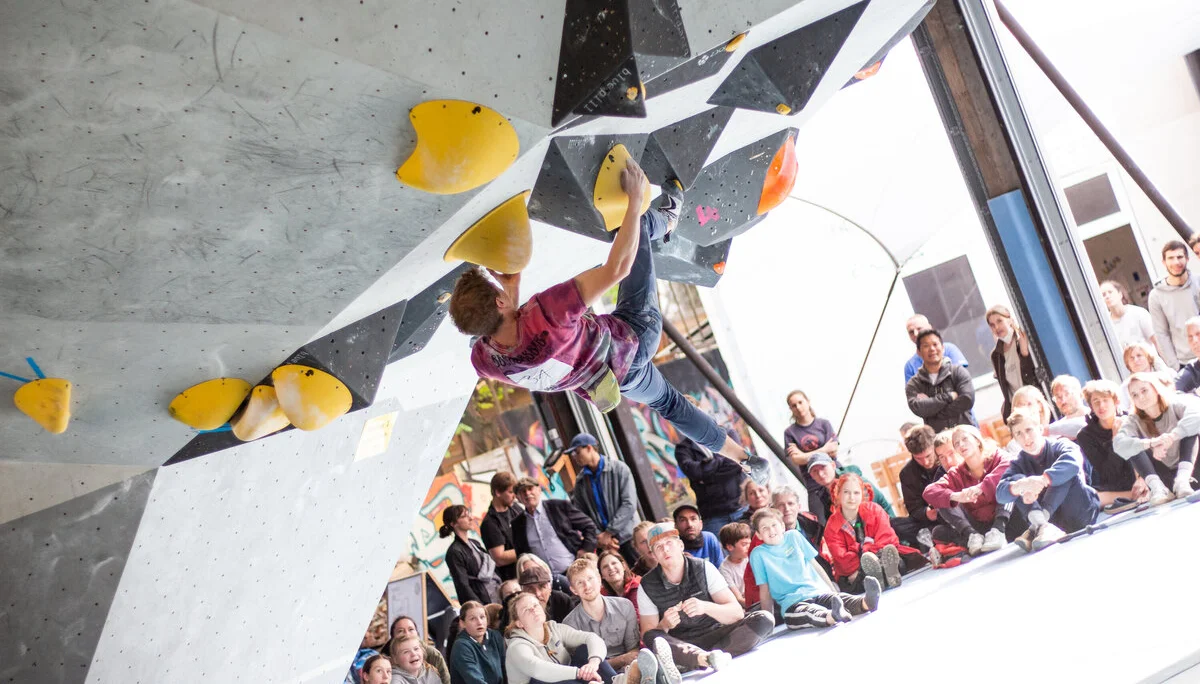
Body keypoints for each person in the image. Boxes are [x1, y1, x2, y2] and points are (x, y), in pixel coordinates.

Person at [451, 157, 768, 484]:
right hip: (635, 332)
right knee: (635, 227)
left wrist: (512, 292)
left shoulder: (486, 362)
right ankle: (666, 218)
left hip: (615, 380)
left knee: (671, 405)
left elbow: (517, 342)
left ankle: (744, 460)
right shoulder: (549, 312)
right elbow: (617, 269)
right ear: (500, 302)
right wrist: (633, 203)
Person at [636, 524, 773, 672]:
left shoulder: (703, 568)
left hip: (718, 633)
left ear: (680, 545)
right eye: (658, 547)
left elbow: (736, 613)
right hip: (682, 644)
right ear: (653, 555)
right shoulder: (646, 585)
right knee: (652, 636)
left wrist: (705, 607)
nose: (665, 550)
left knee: (764, 619)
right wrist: (664, 625)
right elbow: (648, 634)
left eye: (669, 543)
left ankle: (698, 660)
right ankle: (702, 658)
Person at [750, 508, 880, 629]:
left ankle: (866, 602)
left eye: (774, 525)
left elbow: (815, 565)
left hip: (816, 591)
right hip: (792, 604)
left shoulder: (794, 536)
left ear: (782, 526)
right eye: (765, 528)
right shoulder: (758, 554)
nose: (771, 530)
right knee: (808, 613)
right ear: (759, 535)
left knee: (839, 599)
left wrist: (832, 590)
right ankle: (832, 616)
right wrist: (768, 621)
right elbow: (764, 589)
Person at [997, 409, 1100, 552]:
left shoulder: (1061, 444)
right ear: (1014, 439)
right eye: (1019, 434)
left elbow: (1073, 463)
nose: (1026, 437)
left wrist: (1042, 480)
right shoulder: (1018, 462)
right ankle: (1043, 525)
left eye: (1029, 430)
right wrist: (1022, 485)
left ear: (1040, 429)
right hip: (1054, 522)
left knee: (1064, 472)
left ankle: (1039, 525)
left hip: (1080, 512)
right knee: (1017, 482)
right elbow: (1000, 494)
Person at [823, 472, 924, 592]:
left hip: (882, 556)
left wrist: (864, 550)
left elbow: (888, 539)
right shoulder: (831, 526)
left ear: (861, 494)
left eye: (856, 493)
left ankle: (885, 574)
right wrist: (867, 553)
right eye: (846, 492)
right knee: (855, 577)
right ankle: (878, 577)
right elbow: (843, 560)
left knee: (892, 557)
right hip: (856, 569)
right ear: (837, 494)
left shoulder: (874, 510)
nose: (851, 497)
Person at [923, 425, 1014, 555]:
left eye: (965, 439)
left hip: (1006, 518)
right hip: (978, 524)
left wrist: (981, 487)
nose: (961, 445)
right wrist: (956, 496)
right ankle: (972, 536)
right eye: (957, 443)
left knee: (1012, 480)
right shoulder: (956, 473)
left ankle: (998, 529)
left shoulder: (996, 456)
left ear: (977, 440)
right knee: (944, 500)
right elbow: (929, 492)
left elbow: (1012, 464)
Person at [1114, 373, 1200, 499]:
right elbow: (1118, 444)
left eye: (1144, 390)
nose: (1141, 397)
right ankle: (1158, 488)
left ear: (1156, 389)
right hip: (1168, 479)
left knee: (1191, 429)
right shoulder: (1133, 420)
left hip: (1193, 472)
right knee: (1132, 445)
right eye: (1135, 395)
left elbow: (1197, 414)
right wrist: (1152, 443)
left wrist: (1171, 438)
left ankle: (1183, 480)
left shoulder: (1175, 402)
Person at [504, 591, 617, 684]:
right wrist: (579, 673)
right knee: (540, 680)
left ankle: (617, 681)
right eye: (526, 610)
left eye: (535, 605)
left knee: (585, 649)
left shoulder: (555, 628)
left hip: (569, 680)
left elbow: (592, 638)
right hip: (547, 680)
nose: (533, 610)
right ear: (519, 623)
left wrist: (593, 664)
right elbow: (538, 669)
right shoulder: (516, 646)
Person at [1076, 380, 1155, 508]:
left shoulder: (1131, 418)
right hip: (1117, 484)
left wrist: (1142, 479)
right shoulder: (1085, 435)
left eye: (1105, 400)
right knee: (1090, 496)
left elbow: (1147, 453)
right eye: (1096, 402)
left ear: (1116, 401)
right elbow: (1108, 473)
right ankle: (1134, 495)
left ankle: (1146, 488)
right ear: (1091, 407)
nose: (1101, 406)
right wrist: (1115, 439)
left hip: (1144, 475)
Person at [566, 433, 639, 565]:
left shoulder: (619, 469)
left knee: (642, 575)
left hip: (629, 538)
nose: (574, 457)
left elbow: (629, 504)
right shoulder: (580, 481)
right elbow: (581, 514)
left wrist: (609, 532)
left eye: (577, 452)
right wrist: (601, 536)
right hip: (604, 545)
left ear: (589, 448)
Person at [563, 559, 641, 671]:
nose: (587, 586)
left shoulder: (624, 606)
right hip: (597, 675)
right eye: (580, 583)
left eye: (590, 579)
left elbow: (633, 650)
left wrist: (626, 663)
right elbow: (583, 666)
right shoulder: (569, 624)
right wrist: (621, 660)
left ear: (599, 579)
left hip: (629, 668)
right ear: (573, 590)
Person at [511, 478, 598, 576]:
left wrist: (585, 549)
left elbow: (589, 525)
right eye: (523, 492)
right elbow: (521, 554)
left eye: (530, 489)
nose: (527, 494)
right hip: (547, 579)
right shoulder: (517, 524)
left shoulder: (558, 507)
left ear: (539, 490)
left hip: (575, 569)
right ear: (518, 497)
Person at [674, 431, 747, 536]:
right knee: (721, 552)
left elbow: (737, 462)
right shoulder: (683, 448)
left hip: (741, 507)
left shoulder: (728, 435)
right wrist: (722, 464)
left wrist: (706, 473)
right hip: (713, 516)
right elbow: (694, 472)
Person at [906, 329, 976, 432]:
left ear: (943, 348)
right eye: (926, 346)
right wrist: (949, 397)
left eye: (935, 344)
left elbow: (967, 399)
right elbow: (918, 408)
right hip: (939, 440)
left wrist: (934, 413)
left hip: (966, 433)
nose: (932, 349)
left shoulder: (957, 372)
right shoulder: (915, 383)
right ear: (919, 352)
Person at [782, 390, 840, 514]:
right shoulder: (790, 433)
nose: (798, 407)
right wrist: (824, 449)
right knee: (821, 524)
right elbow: (796, 460)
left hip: (836, 477)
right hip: (813, 484)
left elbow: (833, 451)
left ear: (808, 402)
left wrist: (804, 455)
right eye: (794, 405)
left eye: (800, 402)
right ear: (790, 409)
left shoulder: (824, 424)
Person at [1148, 240, 1200, 369]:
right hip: (1186, 363)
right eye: (1171, 258)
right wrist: (1175, 367)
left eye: (1180, 257)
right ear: (1164, 262)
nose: (1176, 262)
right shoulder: (1156, 296)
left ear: (1187, 259)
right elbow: (1161, 334)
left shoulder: (1198, 282)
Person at [441, 504, 502, 605]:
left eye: (469, 514)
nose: (471, 518)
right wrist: (479, 607)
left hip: (496, 593)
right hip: (484, 601)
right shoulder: (454, 552)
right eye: (464, 516)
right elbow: (462, 585)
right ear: (453, 523)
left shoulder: (475, 543)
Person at [807, 453, 895, 523]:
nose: (821, 474)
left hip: (887, 530)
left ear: (833, 465)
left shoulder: (856, 481)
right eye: (815, 471)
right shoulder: (824, 495)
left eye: (823, 467)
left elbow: (869, 515)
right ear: (811, 476)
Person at [894, 426, 944, 548]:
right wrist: (925, 513)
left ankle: (935, 537)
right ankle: (936, 536)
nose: (925, 462)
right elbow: (913, 508)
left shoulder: (946, 459)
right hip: (929, 520)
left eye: (928, 456)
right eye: (919, 459)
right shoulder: (907, 474)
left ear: (934, 446)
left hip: (954, 511)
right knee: (894, 525)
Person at [986, 304, 1038, 420]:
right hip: (1019, 411)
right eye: (992, 325)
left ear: (1010, 320)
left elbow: (1034, 373)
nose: (997, 327)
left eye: (1000, 321)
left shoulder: (1022, 339)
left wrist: (1024, 353)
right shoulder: (996, 355)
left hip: (1034, 403)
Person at [450, 601, 506, 684]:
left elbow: (505, 669)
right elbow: (475, 681)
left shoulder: (495, 636)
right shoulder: (461, 646)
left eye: (482, 617)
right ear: (462, 623)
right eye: (472, 619)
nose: (479, 622)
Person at [904, 314, 969, 383]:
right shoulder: (910, 366)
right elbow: (913, 392)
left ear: (930, 328)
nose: (916, 334)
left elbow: (962, 378)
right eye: (911, 332)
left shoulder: (949, 349)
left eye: (919, 328)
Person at [482, 472, 523, 582]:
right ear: (498, 492)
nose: (514, 496)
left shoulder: (516, 509)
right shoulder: (489, 523)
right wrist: (528, 548)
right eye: (510, 492)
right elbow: (499, 558)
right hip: (514, 579)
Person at [390, 616, 451, 684]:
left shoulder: (432, 671)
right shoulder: (393, 677)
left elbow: (445, 680)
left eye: (411, 629)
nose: (407, 634)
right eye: (400, 631)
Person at [1099, 280, 1157, 351]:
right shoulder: (1105, 324)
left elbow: (1157, 341)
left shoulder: (1139, 313)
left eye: (1110, 292)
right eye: (1103, 295)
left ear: (1120, 294)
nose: (1107, 296)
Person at [716, 522, 752, 607]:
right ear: (730, 547)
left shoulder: (751, 558)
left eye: (749, 543)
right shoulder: (724, 569)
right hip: (744, 605)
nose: (749, 547)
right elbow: (738, 599)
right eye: (744, 544)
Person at [597, 549, 641, 615]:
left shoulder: (637, 587)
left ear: (623, 566)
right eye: (605, 566)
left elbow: (636, 620)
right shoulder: (603, 596)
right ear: (602, 575)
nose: (611, 568)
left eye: (614, 563)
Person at [1048, 375, 1089, 440]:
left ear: (1081, 394)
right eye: (1058, 397)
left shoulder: (1097, 417)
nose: (1063, 400)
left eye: (1067, 394)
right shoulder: (1055, 434)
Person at [1174, 317, 1200, 395]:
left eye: (1198, 334)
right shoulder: (1191, 369)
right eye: (1190, 337)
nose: (1194, 341)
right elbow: (1171, 392)